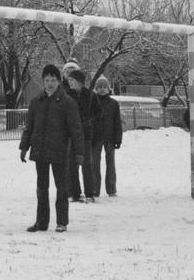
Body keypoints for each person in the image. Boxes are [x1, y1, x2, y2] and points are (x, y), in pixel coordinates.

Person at [18, 64, 84, 232]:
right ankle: (41, 222)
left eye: (53, 80)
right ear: (43, 82)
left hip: (59, 151)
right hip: (40, 151)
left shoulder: (67, 102)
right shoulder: (36, 102)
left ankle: (62, 222)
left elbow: (76, 129)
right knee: (41, 188)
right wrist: (24, 146)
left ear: (59, 81)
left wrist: (79, 152)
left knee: (61, 188)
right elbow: (29, 127)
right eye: (47, 80)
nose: (50, 84)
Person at [64, 68, 101, 202]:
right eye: (69, 80)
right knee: (72, 165)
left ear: (80, 82)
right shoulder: (67, 95)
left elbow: (98, 113)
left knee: (87, 165)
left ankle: (90, 193)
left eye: (72, 80)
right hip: (71, 135)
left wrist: (89, 121)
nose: (70, 82)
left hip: (86, 134)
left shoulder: (91, 95)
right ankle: (75, 193)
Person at [92, 76, 123, 197]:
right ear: (96, 88)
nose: (102, 89)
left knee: (110, 163)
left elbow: (117, 122)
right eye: (100, 87)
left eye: (105, 87)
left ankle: (111, 188)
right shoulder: (93, 102)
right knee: (95, 163)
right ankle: (95, 189)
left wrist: (118, 138)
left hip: (110, 138)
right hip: (96, 138)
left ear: (108, 89)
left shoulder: (113, 104)